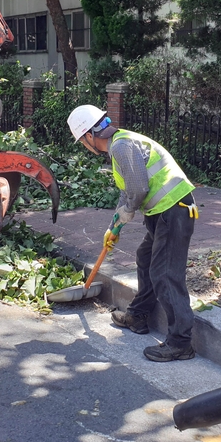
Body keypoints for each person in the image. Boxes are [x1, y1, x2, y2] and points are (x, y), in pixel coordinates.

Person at [66, 105, 199, 362]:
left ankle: (181, 343)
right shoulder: (121, 143)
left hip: (175, 210)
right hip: (163, 212)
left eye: (82, 141)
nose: (84, 145)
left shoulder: (121, 146)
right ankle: (138, 316)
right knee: (145, 258)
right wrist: (114, 225)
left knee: (165, 274)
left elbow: (138, 189)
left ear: (89, 136)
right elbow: (127, 191)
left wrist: (127, 212)